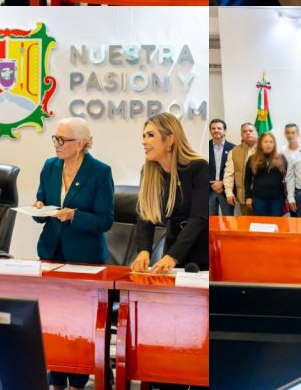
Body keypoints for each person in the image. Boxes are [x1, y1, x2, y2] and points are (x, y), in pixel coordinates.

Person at [34, 118, 114, 390]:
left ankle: (78, 382)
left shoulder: (100, 172)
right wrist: (39, 208)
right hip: (50, 254)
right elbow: (43, 206)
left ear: (80, 144)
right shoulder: (50, 166)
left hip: (85, 259)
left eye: (62, 140)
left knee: (78, 324)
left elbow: (105, 221)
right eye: (55, 138)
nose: (56, 144)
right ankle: (56, 380)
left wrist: (74, 216)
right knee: (53, 321)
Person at [132, 113, 209, 273]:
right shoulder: (148, 172)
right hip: (172, 250)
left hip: (201, 252)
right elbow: (145, 215)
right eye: (144, 136)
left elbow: (198, 218)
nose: (143, 141)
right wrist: (143, 250)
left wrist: (173, 256)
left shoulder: (199, 168)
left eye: (150, 135)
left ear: (170, 139)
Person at [244, 132, 287, 217]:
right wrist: (248, 197)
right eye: (266, 141)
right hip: (259, 198)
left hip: (277, 199)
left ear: (274, 144)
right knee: (262, 223)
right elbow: (247, 180)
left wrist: (289, 197)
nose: (268, 144)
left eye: (271, 142)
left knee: (276, 223)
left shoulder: (281, 158)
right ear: (260, 143)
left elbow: (288, 178)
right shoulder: (252, 158)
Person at [223, 122, 258, 216]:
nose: (248, 133)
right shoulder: (234, 151)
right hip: (244, 198)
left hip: (263, 198)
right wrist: (229, 193)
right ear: (242, 135)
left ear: (257, 133)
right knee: (246, 224)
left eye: (251, 131)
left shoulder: (265, 149)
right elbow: (229, 174)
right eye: (245, 131)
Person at [209, 118, 234, 216]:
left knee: (228, 219)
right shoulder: (206, 147)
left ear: (225, 130)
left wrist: (222, 182)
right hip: (209, 190)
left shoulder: (233, 148)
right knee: (211, 221)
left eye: (219, 128)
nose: (216, 130)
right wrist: (212, 183)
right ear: (210, 131)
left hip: (226, 190)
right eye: (213, 128)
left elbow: (235, 171)